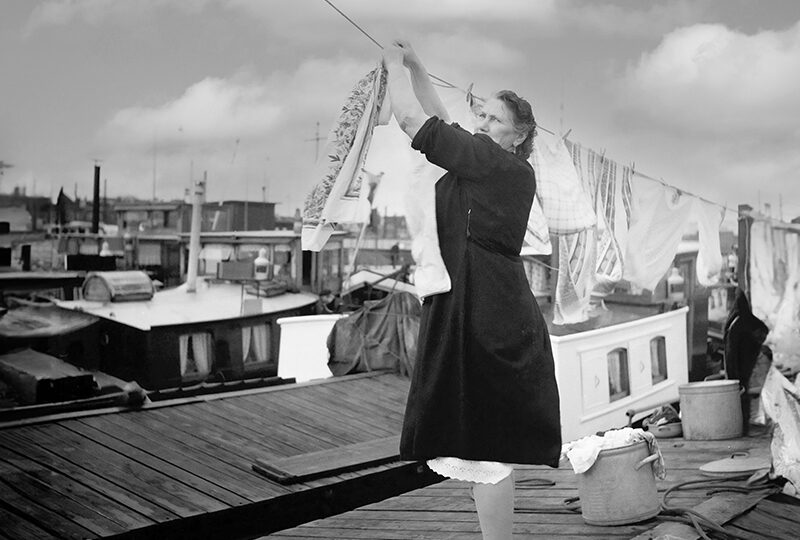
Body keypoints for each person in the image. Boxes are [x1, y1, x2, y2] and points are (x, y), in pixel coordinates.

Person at [383, 40, 562, 539]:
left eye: (494, 119)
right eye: (480, 115)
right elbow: (442, 122)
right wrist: (416, 67)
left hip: (485, 308)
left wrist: (392, 66)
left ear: (519, 135)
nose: (482, 124)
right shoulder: (492, 164)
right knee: (481, 442)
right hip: (483, 298)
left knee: (486, 448)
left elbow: (414, 121)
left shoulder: (495, 163)